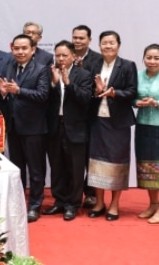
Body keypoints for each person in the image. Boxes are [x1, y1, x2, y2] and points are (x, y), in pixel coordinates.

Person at [0, 34, 50, 223]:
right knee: (17, 168)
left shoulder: (42, 69)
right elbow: (7, 94)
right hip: (13, 126)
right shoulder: (9, 66)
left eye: (24, 48)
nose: (20, 52)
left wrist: (18, 91)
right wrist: (3, 92)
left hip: (34, 127)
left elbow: (42, 95)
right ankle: (19, 202)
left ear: (33, 49)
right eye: (16, 48)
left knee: (36, 170)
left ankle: (35, 205)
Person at [87, 30, 137, 221]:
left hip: (118, 123)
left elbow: (132, 92)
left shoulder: (127, 65)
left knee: (117, 163)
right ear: (99, 45)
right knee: (97, 163)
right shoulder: (94, 64)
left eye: (111, 43)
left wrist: (113, 93)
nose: (107, 46)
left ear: (118, 45)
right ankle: (99, 203)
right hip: (97, 121)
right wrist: (97, 91)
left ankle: (115, 205)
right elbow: (88, 90)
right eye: (104, 43)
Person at [42, 41, 93, 221]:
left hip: (76, 129)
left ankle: (73, 204)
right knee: (57, 167)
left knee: (75, 169)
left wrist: (68, 84)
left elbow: (85, 99)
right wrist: (55, 84)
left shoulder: (84, 75)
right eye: (58, 55)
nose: (61, 59)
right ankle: (59, 201)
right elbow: (43, 100)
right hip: (55, 127)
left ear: (73, 56)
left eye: (64, 55)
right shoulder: (50, 73)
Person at [71, 24, 103, 209]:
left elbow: (99, 84)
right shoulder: (66, 55)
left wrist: (83, 72)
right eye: (75, 37)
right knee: (75, 157)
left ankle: (90, 193)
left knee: (91, 155)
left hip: (93, 114)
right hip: (71, 115)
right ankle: (72, 192)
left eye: (81, 38)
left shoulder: (98, 59)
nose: (77, 41)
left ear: (89, 40)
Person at [133, 44, 159, 224]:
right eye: (148, 57)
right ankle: (153, 204)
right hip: (143, 126)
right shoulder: (138, 76)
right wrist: (138, 102)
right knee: (148, 168)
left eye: (156, 58)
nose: (152, 61)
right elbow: (132, 97)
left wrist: (156, 103)